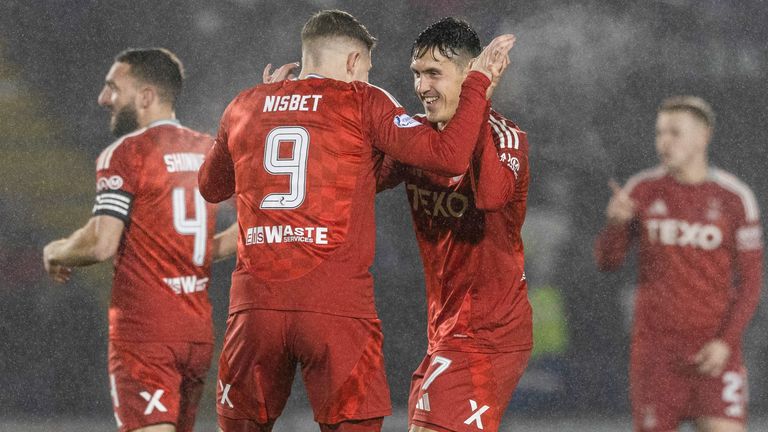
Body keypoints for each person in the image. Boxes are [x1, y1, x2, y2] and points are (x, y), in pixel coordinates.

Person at [198, 9, 515, 432]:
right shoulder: (363, 100)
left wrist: (263, 110)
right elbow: (448, 157)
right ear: (352, 62)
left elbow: (210, 187)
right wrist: (477, 83)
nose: (367, 77)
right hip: (336, 308)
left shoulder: (245, 104)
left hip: (255, 310)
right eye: (366, 68)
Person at [42, 48, 235, 432]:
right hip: (196, 335)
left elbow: (101, 243)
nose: (103, 98)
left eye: (113, 87)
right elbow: (228, 239)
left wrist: (55, 251)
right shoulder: (208, 149)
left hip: (146, 333)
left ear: (146, 96)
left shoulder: (127, 153)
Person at [375, 18, 532, 432]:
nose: (422, 87)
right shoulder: (419, 137)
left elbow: (490, 197)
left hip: (488, 333)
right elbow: (362, 180)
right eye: (416, 74)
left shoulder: (506, 137)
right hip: (444, 331)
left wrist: (475, 105)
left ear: (472, 76)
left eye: (434, 74)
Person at [594, 96, 763, 432]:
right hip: (656, 355)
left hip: (714, 351)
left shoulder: (734, 197)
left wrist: (725, 342)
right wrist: (615, 224)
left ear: (703, 137)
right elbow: (607, 262)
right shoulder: (642, 189)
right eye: (659, 133)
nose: (664, 142)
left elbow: (751, 282)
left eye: (675, 132)